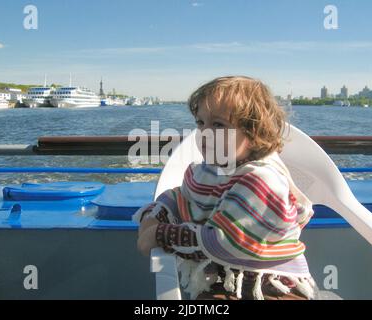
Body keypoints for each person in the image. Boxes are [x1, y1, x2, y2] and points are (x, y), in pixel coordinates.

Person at [134, 76, 317, 300]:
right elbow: (182, 197)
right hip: (225, 279)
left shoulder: (261, 180)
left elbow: (225, 242)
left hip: (269, 286)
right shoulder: (213, 169)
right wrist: (157, 212)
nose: (204, 133)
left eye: (218, 125)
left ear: (253, 132)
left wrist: (159, 234)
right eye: (200, 123)